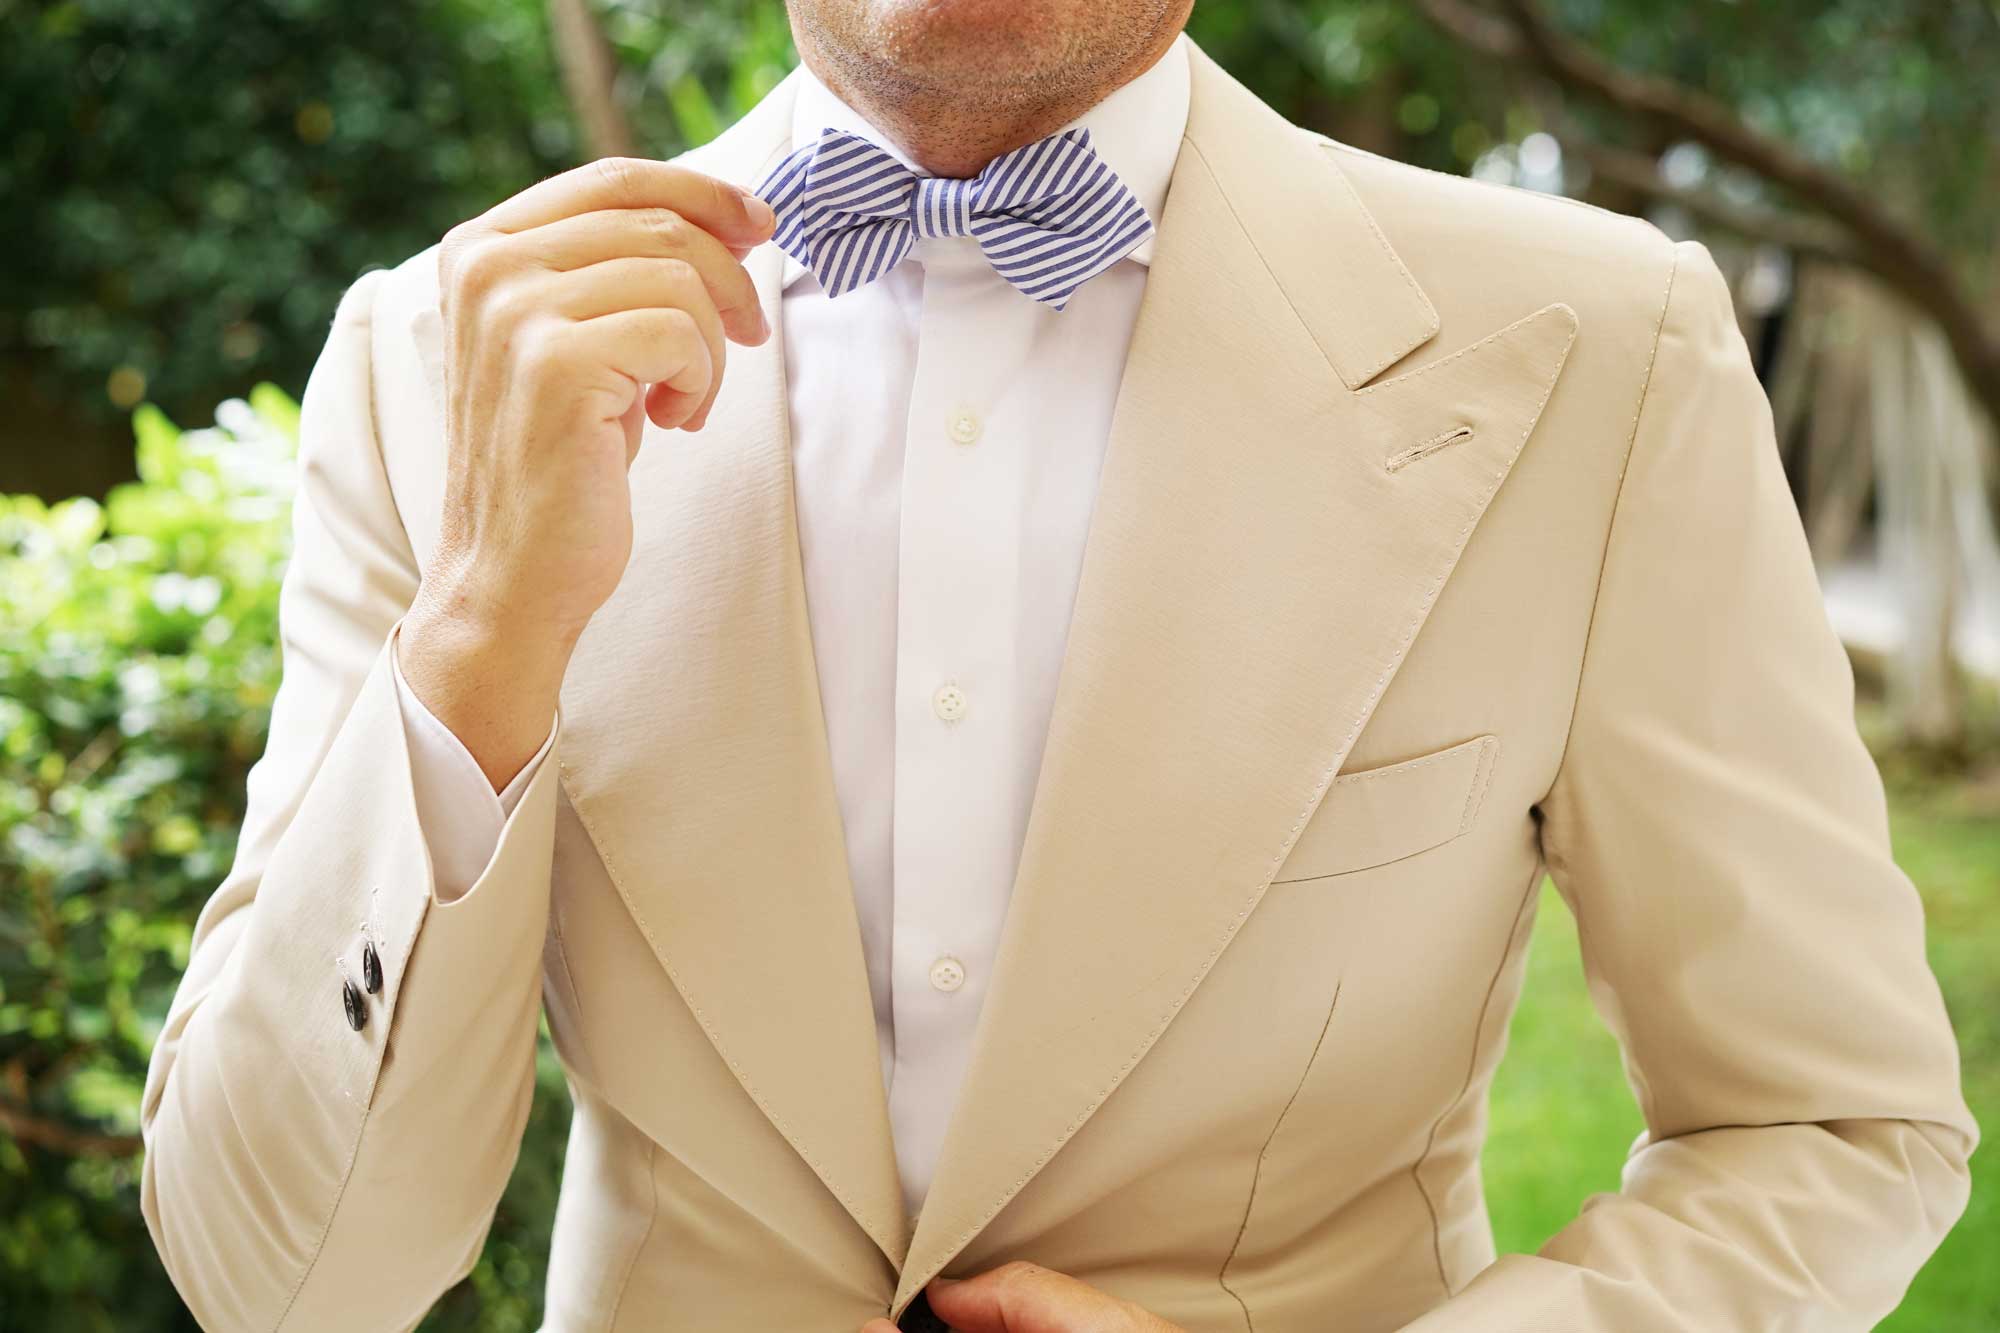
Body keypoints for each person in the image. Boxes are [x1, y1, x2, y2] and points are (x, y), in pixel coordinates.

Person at [139, 1, 1977, 1329]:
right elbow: (285, 1289)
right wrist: (480, 630)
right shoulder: (429, 358)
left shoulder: (1597, 351)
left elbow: (1830, 1125)